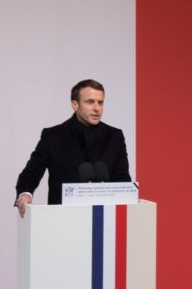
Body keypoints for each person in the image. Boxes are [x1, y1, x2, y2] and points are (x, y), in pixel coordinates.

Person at [15, 79, 132, 217]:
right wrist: (25, 194)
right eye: (90, 102)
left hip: (105, 221)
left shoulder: (115, 136)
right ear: (75, 104)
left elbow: (122, 179)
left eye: (100, 102)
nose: (97, 108)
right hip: (63, 219)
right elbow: (31, 172)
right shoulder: (53, 136)